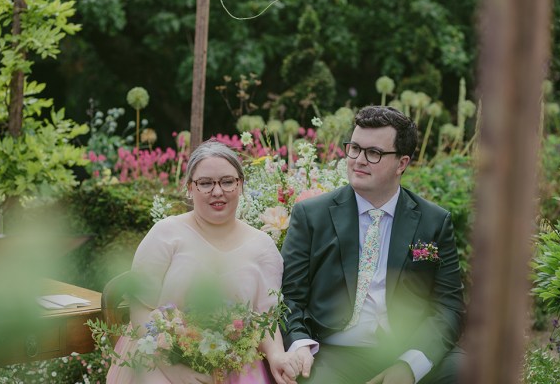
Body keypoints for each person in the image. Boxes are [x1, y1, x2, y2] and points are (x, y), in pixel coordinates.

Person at [281, 106, 465, 384]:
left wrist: (409, 366)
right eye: (354, 148)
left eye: (374, 153)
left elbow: (448, 306)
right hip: (335, 351)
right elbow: (289, 296)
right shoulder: (311, 215)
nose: (358, 160)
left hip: (407, 346)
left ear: (401, 163)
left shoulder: (434, 221)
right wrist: (300, 344)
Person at [107, 139, 300, 384]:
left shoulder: (263, 247)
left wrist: (276, 356)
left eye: (227, 181)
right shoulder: (166, 234)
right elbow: (141, 308)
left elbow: (266, 319)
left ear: (240, 185)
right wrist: (173, 370)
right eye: (206, 183)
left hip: (236, 363)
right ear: (190, 188)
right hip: (159, 357)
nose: (217, 192)